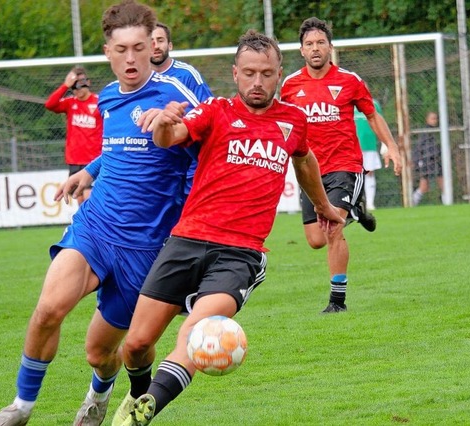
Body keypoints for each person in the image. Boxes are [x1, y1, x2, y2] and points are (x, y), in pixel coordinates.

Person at [0, 1, 201, 425]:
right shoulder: (107, 100)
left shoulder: (180, 97)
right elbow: (118, 151)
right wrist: (89, 170)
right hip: (96, 226)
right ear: (108, 52)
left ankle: (99, 395)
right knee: (48, 309)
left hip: (148, 246)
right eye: (122, 50)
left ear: (152, 45)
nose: (131, 58)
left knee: (100, 353)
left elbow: (213, 141)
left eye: (140, 47)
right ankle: (21, 408)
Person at [114, 30, 345, 426]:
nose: (258, 82)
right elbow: (173, 136)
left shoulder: (293, 121)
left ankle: (140, 414)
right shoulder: (215, 110)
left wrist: (324, 206)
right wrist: (165, 124)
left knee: (195, 332)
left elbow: (304, 162)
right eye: (250, 73)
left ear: (278, 74)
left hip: (240, 254)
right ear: (235, 73)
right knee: (134, 346)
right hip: (186, 240)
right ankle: (138, 395)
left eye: (267, 74)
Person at [280, 17, 402, 314]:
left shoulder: (349, 80)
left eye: (321, 42)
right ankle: (356, 212)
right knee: (315, 240)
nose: (315, 48)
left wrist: (393, 147)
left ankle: (337, 301)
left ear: (330, 47)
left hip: (344, 165)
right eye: (309, 44)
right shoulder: (290, 85)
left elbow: (372, 115)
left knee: (333, 228)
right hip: (309, 171)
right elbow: (282, 123)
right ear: (301, 50)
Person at [149, 22, 213, 197]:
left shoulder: (186, 74)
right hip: (160, 168)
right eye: (151, 41)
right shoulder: (140, 81)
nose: (155, 45)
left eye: (160, 40)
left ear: (169, 45)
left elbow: (209, 111)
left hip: (190, 162)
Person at [44, 66, 103, 205]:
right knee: (80, 198)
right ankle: (88, 226)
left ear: (88, 83)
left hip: (93, 159)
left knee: (90, 196)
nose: (78, 90)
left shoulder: (99, 102)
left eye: (80, 85)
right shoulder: (70, 103)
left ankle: (96, 225)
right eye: (74, 87)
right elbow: (50, 104)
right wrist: (65, 85)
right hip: (75, 159)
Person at [354, 100, 383, 211]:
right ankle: (356, 202)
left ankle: (370, 202)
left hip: (369, 144)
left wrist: (383, 143)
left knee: (369, 172)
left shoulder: (374, 103)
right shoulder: (349, 103)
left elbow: (379, 122)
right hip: (353, 143)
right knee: (354, 172)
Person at [412, 111, 444, 206]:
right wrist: (418, 160)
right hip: (427, 160)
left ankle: (447, 202)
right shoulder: (425, 132)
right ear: (427, 120)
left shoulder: (436, 131)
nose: (435, 121)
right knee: (424, 186)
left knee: (442, 182)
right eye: (432, 118)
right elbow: (420, 148)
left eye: (436, 118)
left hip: (437, 160)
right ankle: (412, 201)